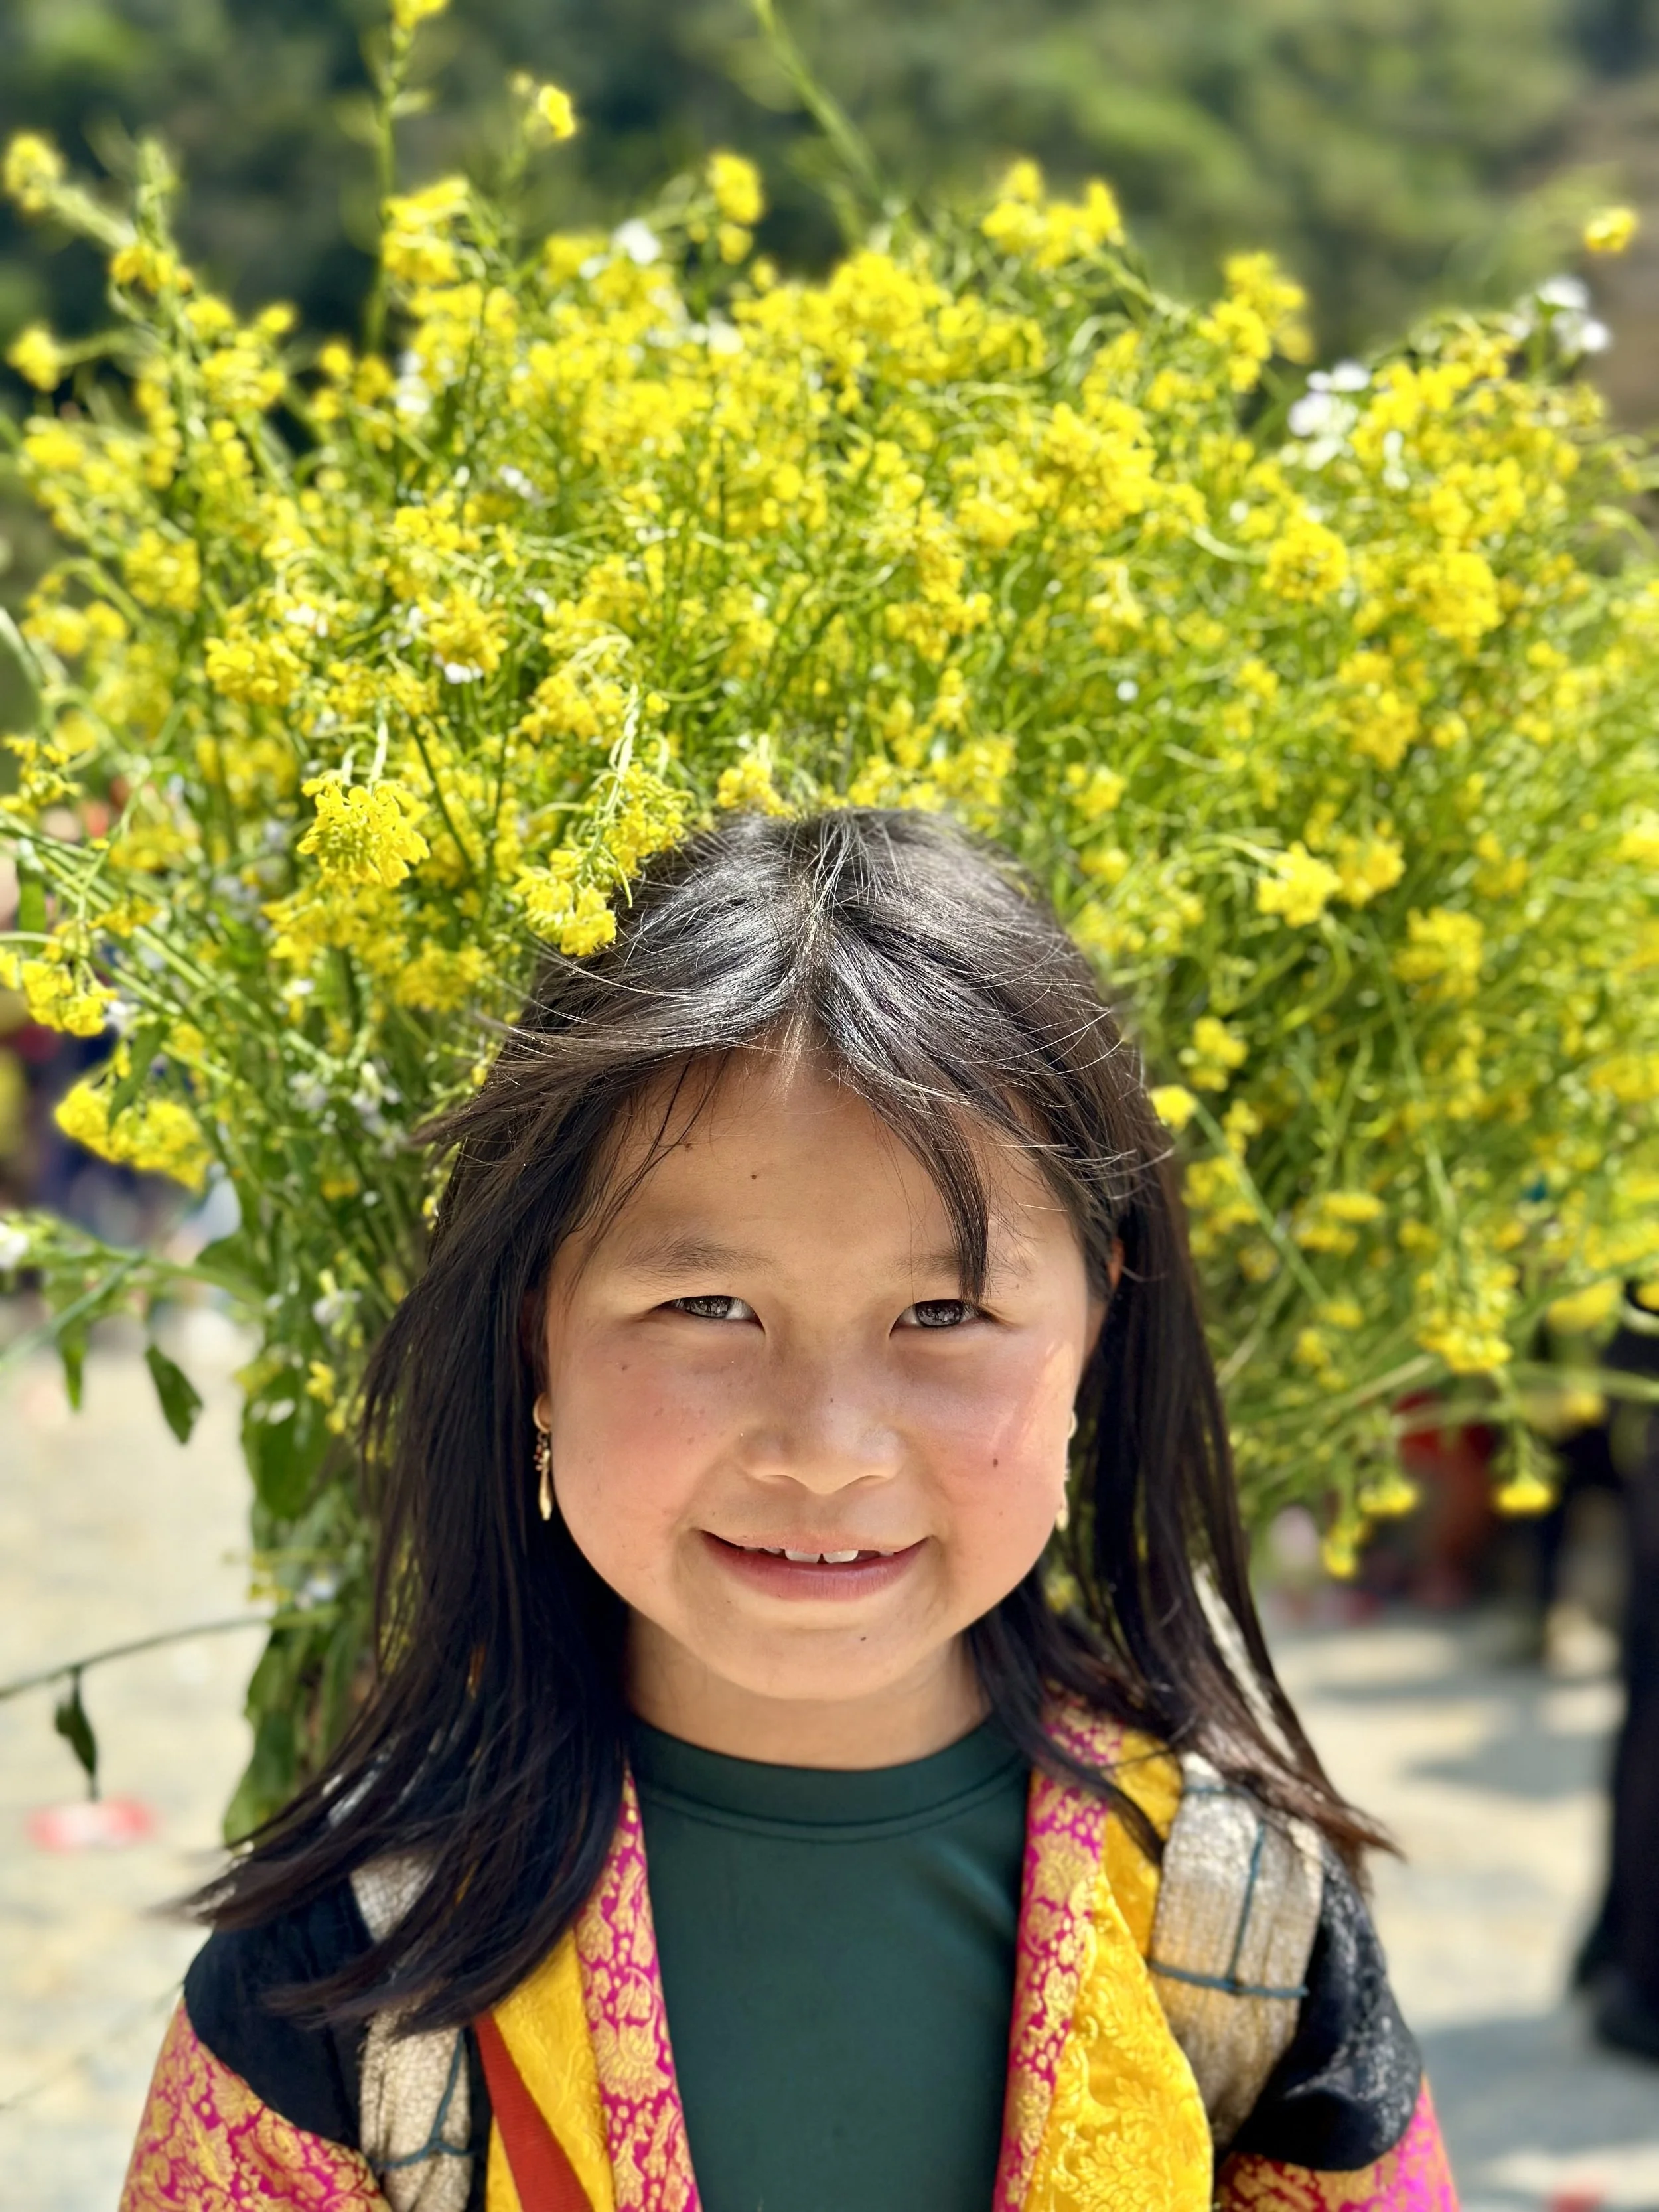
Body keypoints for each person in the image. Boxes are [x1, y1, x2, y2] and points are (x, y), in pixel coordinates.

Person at [120, 810, 1457, 2212]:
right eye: (707, 1306)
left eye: (945, 1312)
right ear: (535, 1338)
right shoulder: (347, 1978)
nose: (824, 1450)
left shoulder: (1232, 1932)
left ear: (1096, 1332)